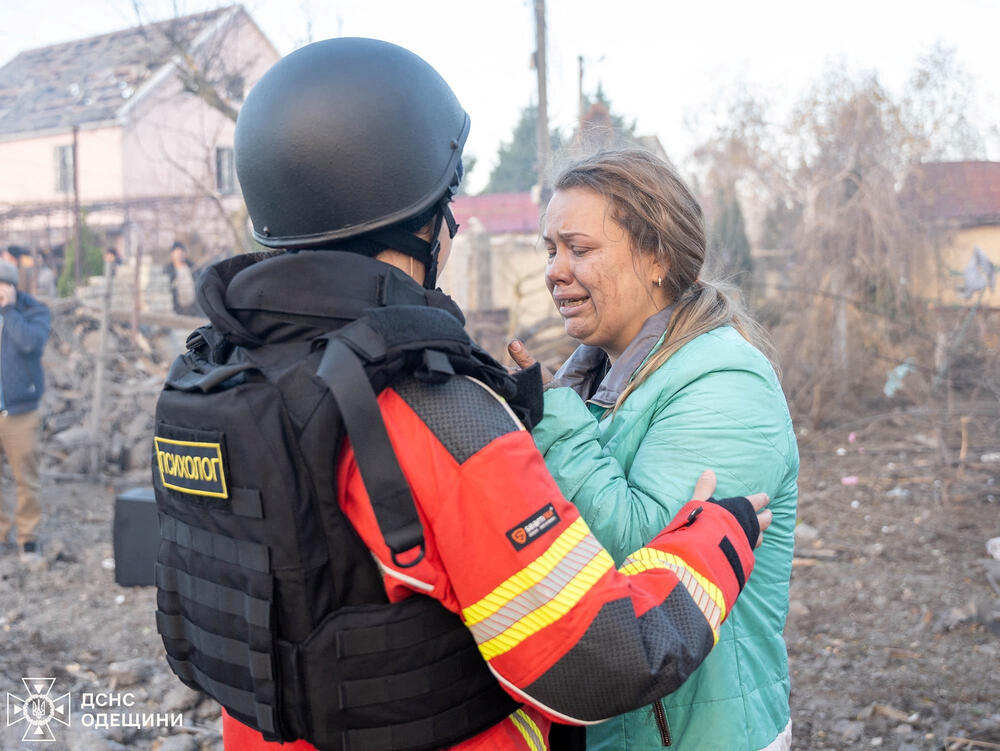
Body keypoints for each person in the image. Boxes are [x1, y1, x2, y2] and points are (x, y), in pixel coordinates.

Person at [159, 38, 774, 751]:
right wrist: (714, 538)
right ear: (424, 220)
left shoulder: (214, 380)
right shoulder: (436, 408)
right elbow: (600, 658)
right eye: (446, 203)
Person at [508, 149, 799, 751]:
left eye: (579, 248)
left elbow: (649, 569)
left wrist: (550, 419)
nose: (556, 271)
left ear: (658, 257)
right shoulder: (593, 381)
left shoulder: (726, 383)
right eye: (550, 250)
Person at [0, 259, 52, 561]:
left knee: (26, 478)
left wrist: (9, 311)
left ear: (12, 286)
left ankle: (28, 537)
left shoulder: (34, 311)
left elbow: (29, 343)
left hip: (21, 413)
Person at [163, 240, 200, 316]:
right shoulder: (168, 271)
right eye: (177, 253)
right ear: (172, 254)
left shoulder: (193, 268)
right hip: (176, 310)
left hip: (193, 309)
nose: (179, 255)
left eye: (181, 252)